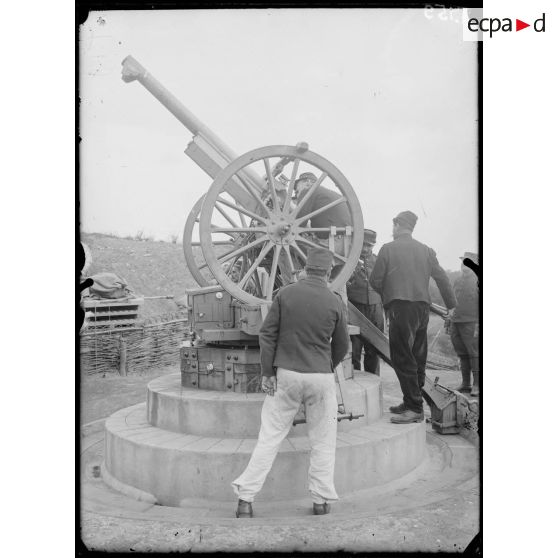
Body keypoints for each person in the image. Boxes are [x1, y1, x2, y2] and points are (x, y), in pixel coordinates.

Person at [231, 247, 349, 517]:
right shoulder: (334, 302)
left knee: (269, 437)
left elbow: (267, 335)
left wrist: (267, 372)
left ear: (305, 269)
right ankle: (320, 502)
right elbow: (343, 344)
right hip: (320, 377)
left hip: (286, 375)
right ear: (329, 272)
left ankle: (245, 500)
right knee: (323, 442)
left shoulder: (285, 294)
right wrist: (327, 365)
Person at [370, 211, 456, 424]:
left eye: (394, 226)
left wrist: (390, 297)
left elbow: (375, 280)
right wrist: (451, 306)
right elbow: (442, 278)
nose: (393, 230)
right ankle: (411, 401)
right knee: (417, 357)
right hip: (422, 309)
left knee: (402, 358)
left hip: (400, 308)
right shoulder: (426, 250)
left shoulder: (388, 249)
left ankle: (414, 407)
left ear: (398, 225)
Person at [347, 229, 384, 375]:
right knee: (354, 349)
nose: (366, 249)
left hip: (375, 308)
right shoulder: (349, 260)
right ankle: (353, 380)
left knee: (374, 348)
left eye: (369, 246)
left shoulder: (377, 261)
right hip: (355, 307)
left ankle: (374, 378)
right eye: (363, 245)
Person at [447, 252, 479, 396]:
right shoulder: (458, 281)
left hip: (472, 322)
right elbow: (451, 303)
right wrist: (449, 320)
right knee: (462, 354)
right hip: (456, 322)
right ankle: (466, 383)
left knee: (474, 354)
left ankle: (477, 385)